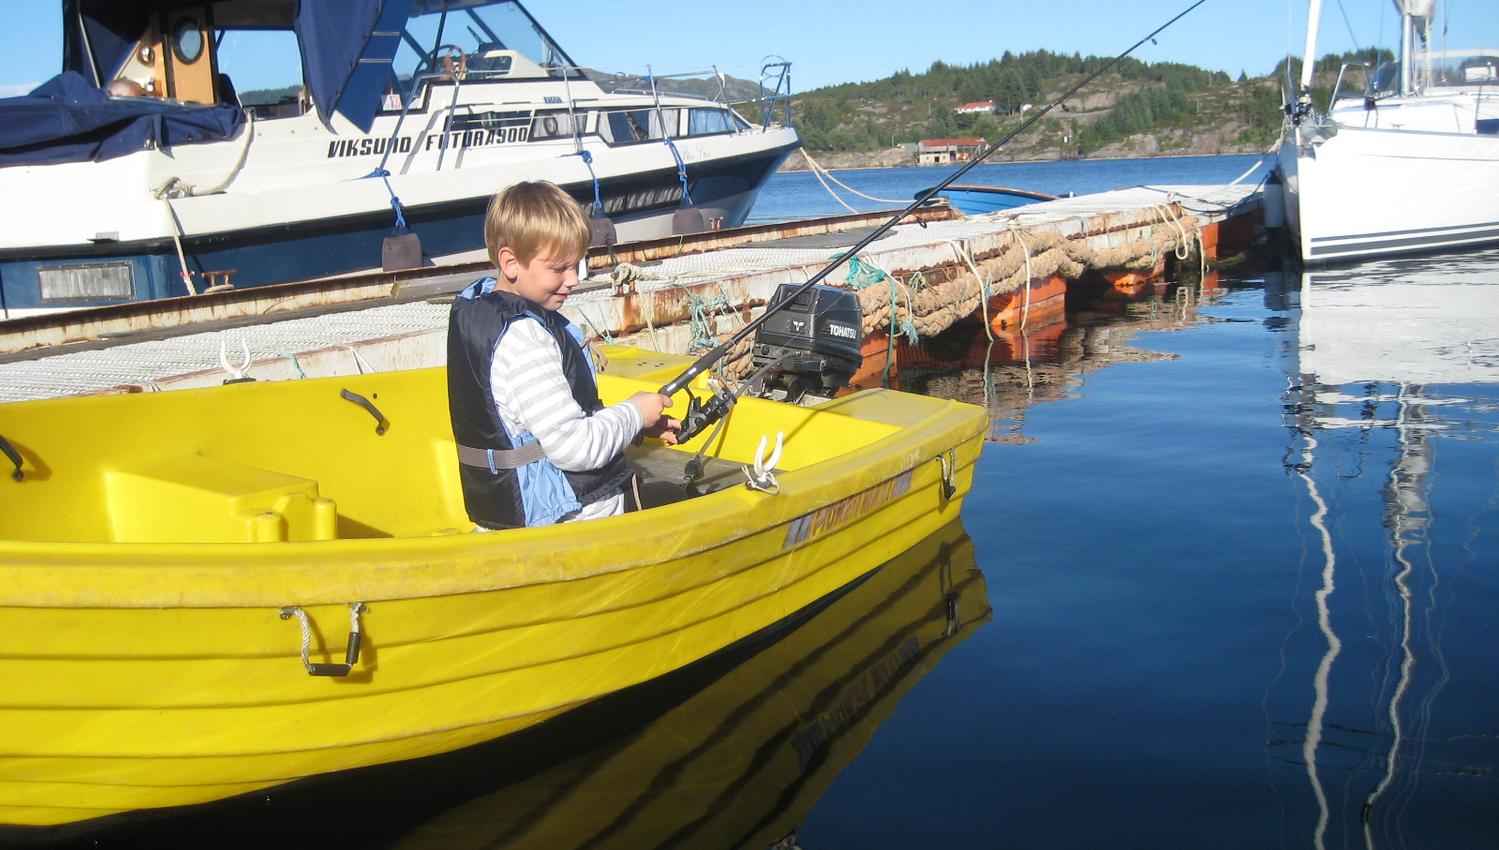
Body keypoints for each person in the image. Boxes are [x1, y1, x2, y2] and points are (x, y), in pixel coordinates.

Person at [448, 181, 680, 529]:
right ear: (510, 262)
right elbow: (575, 448)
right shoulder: (525, 339)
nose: (573, 279)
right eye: (559, 268)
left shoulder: (481, 313)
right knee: (686, 498)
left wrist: (636, 427)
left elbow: (536, 430)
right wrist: (635, 412)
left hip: (508, 517)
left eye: (578, 264)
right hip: (569, 523)